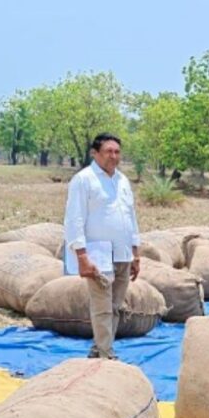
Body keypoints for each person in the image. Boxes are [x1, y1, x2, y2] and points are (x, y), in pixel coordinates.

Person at [62, 133, 141, 360]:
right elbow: (74, 219)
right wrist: (81, 256)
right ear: (95, 153)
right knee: (102, 306)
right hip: (98, 253)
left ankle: (100, 348)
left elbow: (131, 217)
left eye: (117, 152)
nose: (113, 156)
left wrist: (135, 253)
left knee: (115, 306)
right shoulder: (84, 180)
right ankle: (107, 354)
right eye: (108, 151)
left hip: (123, 253)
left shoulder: (122, 180)